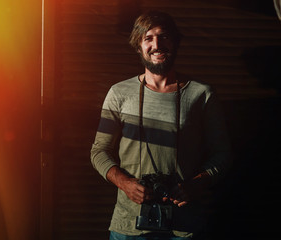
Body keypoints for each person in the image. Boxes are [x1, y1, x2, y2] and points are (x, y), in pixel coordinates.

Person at [90, 11, 232, 240]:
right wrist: (125, 183)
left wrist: (195, 186)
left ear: (175, 42)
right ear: (138, 45)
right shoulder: (119, 93)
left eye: (164, 36)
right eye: (148, 38)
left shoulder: (201, 93)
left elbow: (222, 154)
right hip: (129, 225)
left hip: (184, 226)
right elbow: (98, 151)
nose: (157, 44)